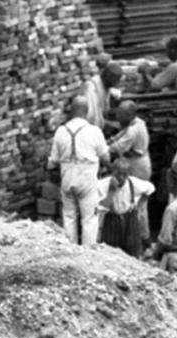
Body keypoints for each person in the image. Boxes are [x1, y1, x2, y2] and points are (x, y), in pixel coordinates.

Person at [47, 96, 108, 248]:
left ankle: (71, 250)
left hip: (67, 177)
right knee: (89, 219)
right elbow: (106, 157)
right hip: (87, 178)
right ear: (86, 112)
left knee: (69, 216)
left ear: (72, 111)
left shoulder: (61, 131)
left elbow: (52, 162)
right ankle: (88, 253)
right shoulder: (94, 131)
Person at [96, 166, 155, 259]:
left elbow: (150, 188)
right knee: (110, 254)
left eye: (124, 174)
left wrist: (140, 206)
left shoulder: (133, 182)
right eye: (118, 174)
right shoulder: (103, 184)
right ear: (113, 173)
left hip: (129, 220)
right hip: (112, 221)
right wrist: (111, 191)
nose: (121, 177)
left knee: (132, 252)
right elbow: (101, 208)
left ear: (128, 175)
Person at [107, 101, 151, 182]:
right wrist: (112, 139)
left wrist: (102, 147)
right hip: (139, 163)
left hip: (137, 168)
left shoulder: (133, 130)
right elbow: (122, 132)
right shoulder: (137, 121)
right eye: (117, 113)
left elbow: (116, 148)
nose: (117, 117)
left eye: (120, 115)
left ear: (129, 116)